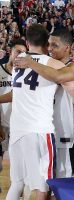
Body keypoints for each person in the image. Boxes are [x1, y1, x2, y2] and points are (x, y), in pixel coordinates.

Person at [5, 24, 74, 200]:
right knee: (44, 185)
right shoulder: (53, 64)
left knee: (17, 183)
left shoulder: (17, 62)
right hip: (39, 130)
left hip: (17, 129)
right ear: (47, 44)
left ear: (27, 41)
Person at [0, 39, 27, 177]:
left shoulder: (26, 75)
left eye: (23, 53)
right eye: (18, 51)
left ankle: (17, 189)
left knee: (18, 161)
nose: (20, 55)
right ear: (11, 51)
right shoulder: (0, 69)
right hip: (1, 120)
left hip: (18, 123)